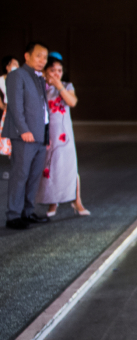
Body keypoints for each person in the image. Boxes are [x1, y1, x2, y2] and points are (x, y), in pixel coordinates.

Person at [2, 42, 51, 229]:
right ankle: (13, 216)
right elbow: (15, 106)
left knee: (33, 176)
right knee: (20, 175)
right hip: (25, 135)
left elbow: (43, 110)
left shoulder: (39, 78)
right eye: (38, 56)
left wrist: (47, 134)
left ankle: (27, 212)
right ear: (27, 56)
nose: (42, 60)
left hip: (40, 135)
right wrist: (23, 130)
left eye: (45, 57)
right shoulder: (17, 75)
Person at [36, 55, 89, 217]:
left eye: (59, 70)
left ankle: (76, 200)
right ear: (45, 72)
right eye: (52, 70)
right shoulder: (40, 87)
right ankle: (53, 202)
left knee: (69, 166)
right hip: (47, 133)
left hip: (64, 134)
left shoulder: (66, 86)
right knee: (50, 166)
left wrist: (59, 86)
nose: (56, 73)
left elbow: (72, 102)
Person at [0, 56, 19, 156]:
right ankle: (11, 159)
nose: (17, 66)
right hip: (8, 110)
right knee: (8, 135)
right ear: (7, 66)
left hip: (19, 110)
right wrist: (2, 105)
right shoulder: (1, 79)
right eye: (14, 64)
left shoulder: (19, 78)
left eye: (18, 64)